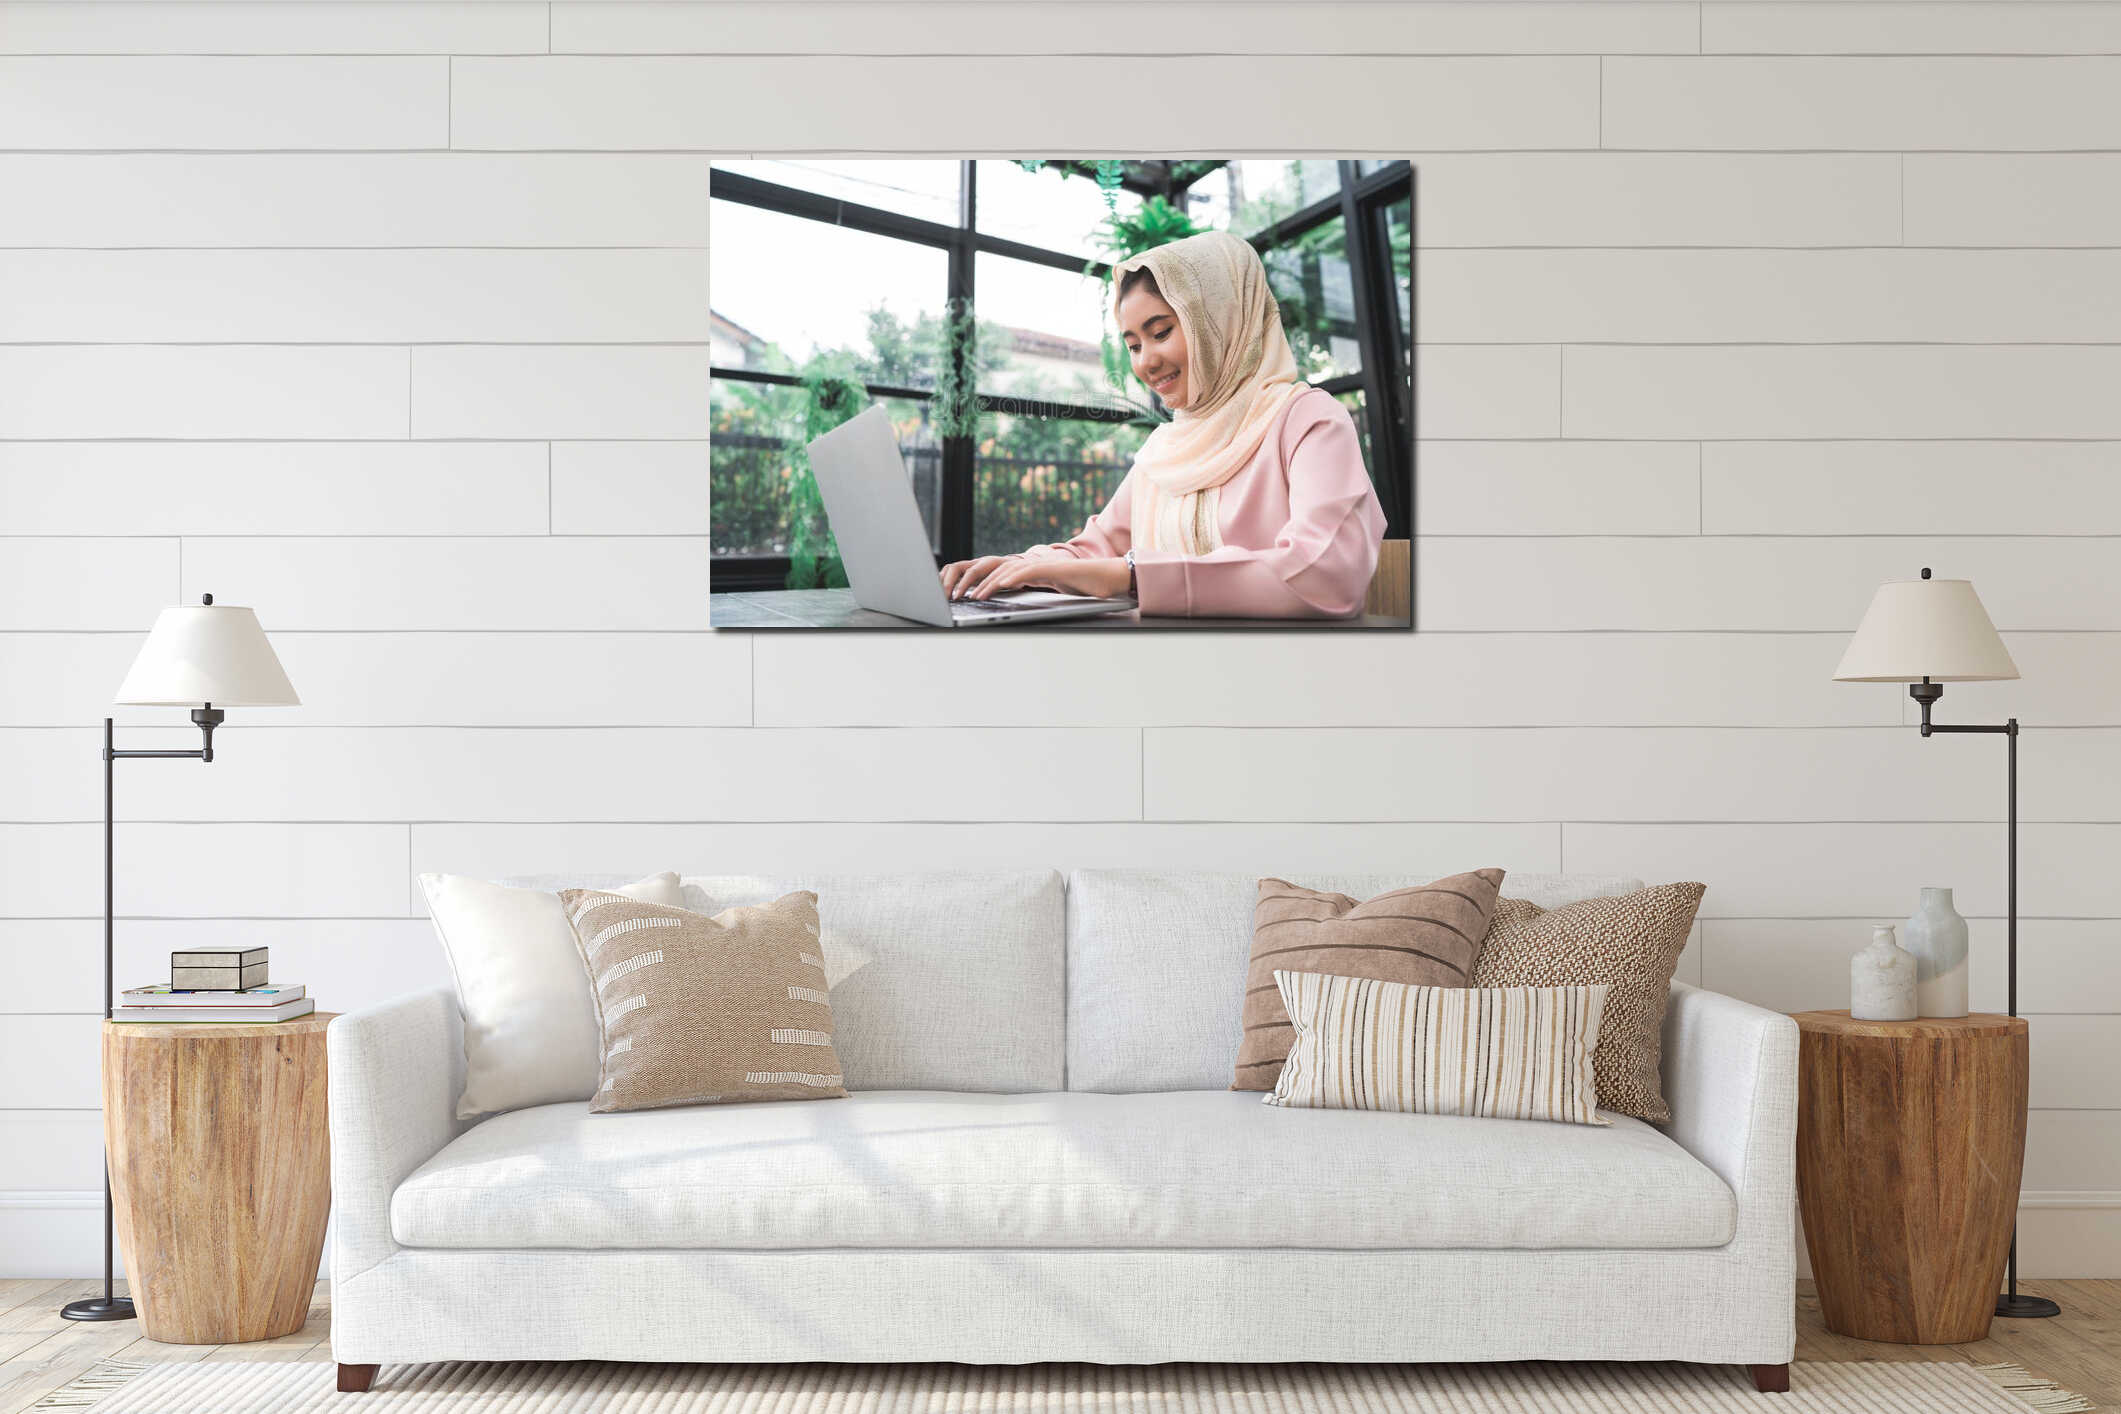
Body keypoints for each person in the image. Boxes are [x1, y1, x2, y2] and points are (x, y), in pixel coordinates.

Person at [938, 228, 1386, 618]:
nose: (1146, 363)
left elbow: (1328, 573)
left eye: (1161, 332)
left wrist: (1132, 576)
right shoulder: (1165, 448)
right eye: (1133, 345)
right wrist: (1012, 568)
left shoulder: (1306, 419)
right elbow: (1095, 549)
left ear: (1221, 320)